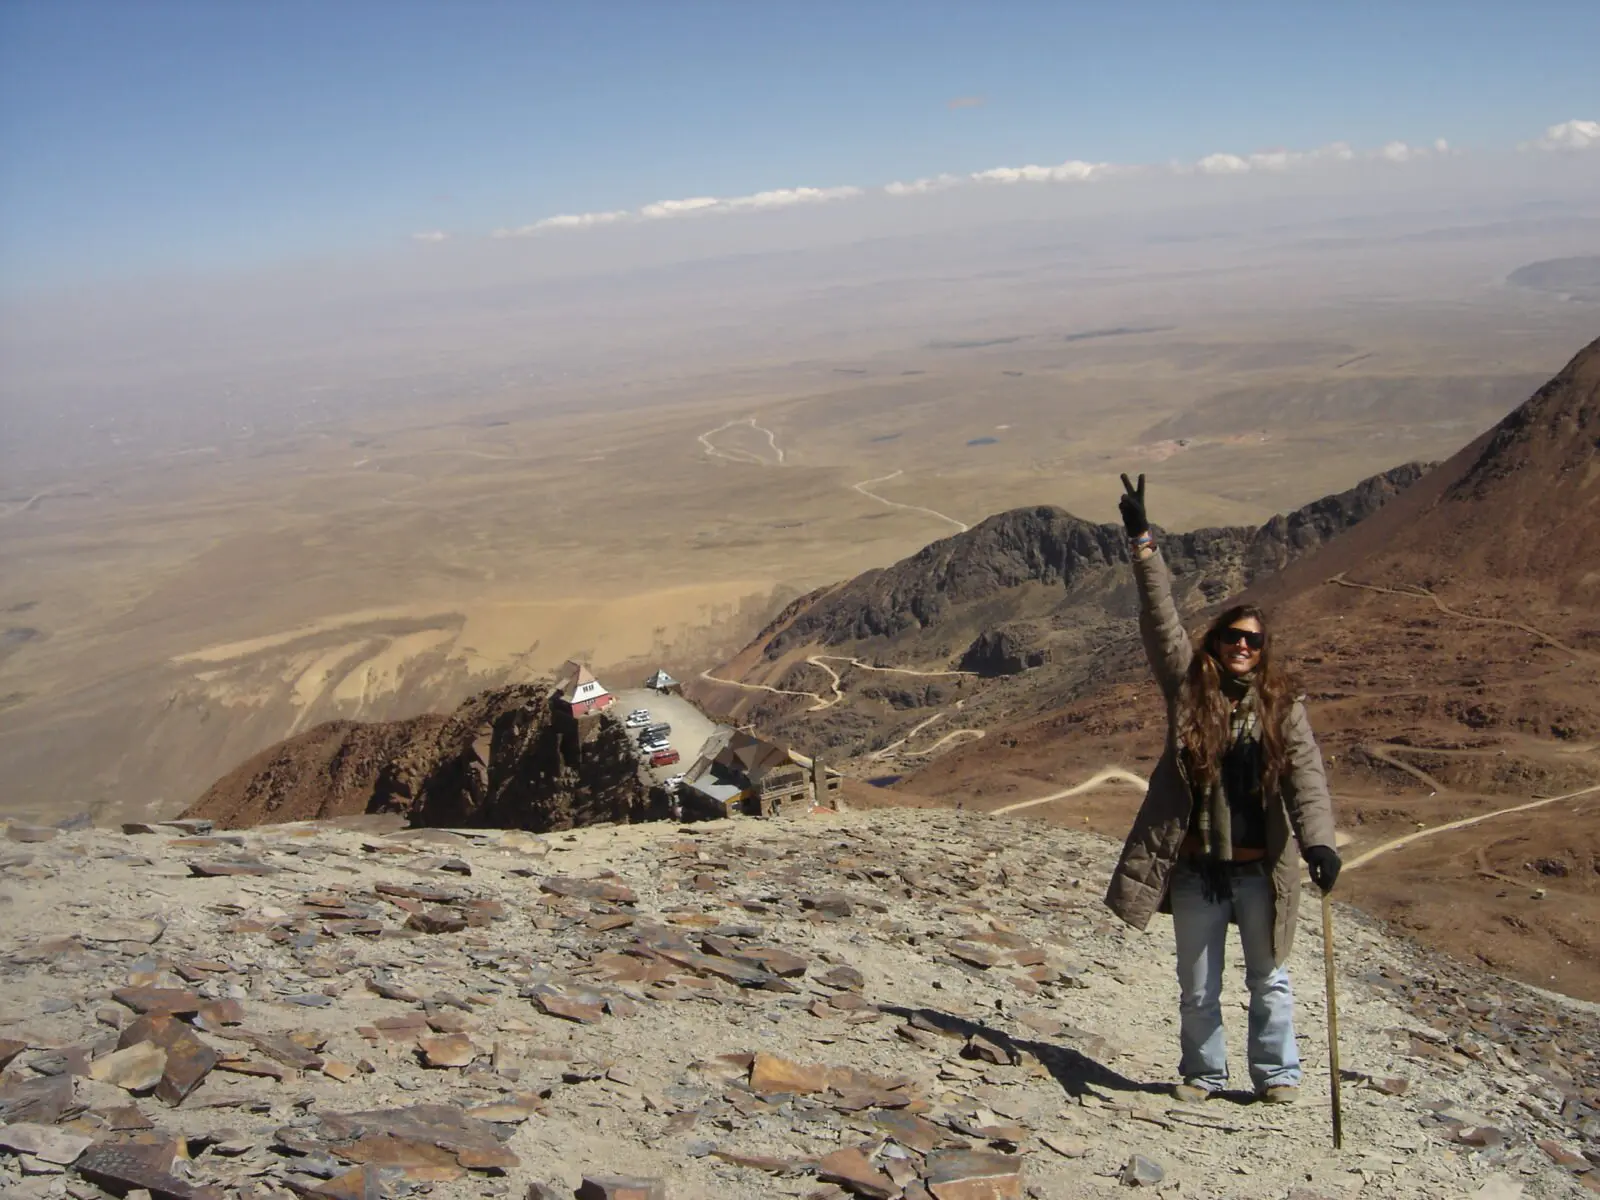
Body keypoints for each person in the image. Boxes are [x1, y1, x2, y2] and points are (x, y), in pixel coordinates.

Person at [1104, 473, 1341, 1105]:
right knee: (1199, 985)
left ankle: (1277, 1075)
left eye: (1253, 641)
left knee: (1269, 981)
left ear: (1264, 652)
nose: (1241, 646)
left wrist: (1320, 844)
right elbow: (1160, 621)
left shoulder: (1281, 705)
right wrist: (1143, 545)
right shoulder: (1189, 686)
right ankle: (1204, 1075)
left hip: (1261, 868)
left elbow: (1306, 774)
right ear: (1216, 642)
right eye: (1232, 636)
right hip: (1196, 869)